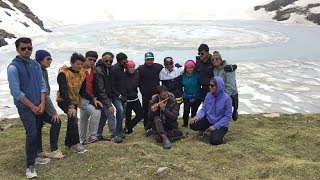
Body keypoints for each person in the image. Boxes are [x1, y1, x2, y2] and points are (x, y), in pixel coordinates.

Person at [7, 37, 49, 178]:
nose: (27, 51)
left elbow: (42, 85)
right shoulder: (13, 67)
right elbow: (16, 92)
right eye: (23, 48)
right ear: (18, 49)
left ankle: (36, 156)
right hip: (25, 106)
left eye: (29, 48)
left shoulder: (36, 65)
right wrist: (32, 106)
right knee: (31, 133)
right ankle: (30, 166)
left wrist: (42, 103)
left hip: (38, 104)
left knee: (37, 130)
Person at [56, 52, 93, 153]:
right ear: (72, 63)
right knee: (73, 118)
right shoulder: (63, 74)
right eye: (77, 64)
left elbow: (82, 92)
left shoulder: (82, 74)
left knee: (71, 120)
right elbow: (63, 91)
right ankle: (76, 143)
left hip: (74, 101)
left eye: (81, 64)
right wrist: (70, 106)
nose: (80, 66)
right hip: (63, 100)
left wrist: (93, 99)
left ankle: (68, 144)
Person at [35, 50, 65, 159]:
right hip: (36, 104)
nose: (50, 61)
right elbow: (44, 93)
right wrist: (53, 112)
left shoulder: (42, 70)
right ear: (40, 59)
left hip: (38, 104)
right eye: (48, 59)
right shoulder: (38, 70)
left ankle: (39, 151)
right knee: (56, 121)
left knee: (38, 125)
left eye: (51, 59)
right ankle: (54, 150)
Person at [190, 77, 232, 145]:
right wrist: (197, 117)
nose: (209, 87)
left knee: (215, 141)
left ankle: (215, 133)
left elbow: (227, 117)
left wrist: (215, 126)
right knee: (193, 124)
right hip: (209, 120)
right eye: (209, 85)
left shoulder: (227, 99)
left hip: (221, 124)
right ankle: (205, 130)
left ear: (218, 86)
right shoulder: (208, 95)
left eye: (212, 85)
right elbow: (204, 109)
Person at [95, 52, 121, 143]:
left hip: (107, 95)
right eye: (106, 60)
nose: (109, 62)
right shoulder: (99, 70)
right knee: (110, 113)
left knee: (103, 116)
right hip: (102, 96)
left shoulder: (108, 69)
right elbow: (101, 89)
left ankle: (98, 134)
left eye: (110, 61)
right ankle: (114, 135)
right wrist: (109, 104)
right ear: (102, 60)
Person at [79, 51, 103, 144]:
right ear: (85, 58)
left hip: (91, 96)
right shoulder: (79, 69)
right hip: (80, 97)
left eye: (94, 60)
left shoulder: (94, 69)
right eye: (90, 59)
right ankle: (92, 136)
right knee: (96, 112)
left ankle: (82, 139)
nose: (92, 62)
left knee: (84, 117)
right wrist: (93, 99)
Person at [137, 52, 163, 132]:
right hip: (145, 95)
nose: (149, 61)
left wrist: (178, 67)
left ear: (153, 59)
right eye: (148, 60)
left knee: (157, 111)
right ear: (145, 60)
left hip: (156, 95)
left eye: (151, 59)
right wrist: (142, 92)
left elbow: (167, 70)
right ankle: (147, 127)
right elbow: (137, 80)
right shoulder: (140, 69)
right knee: (146, 112)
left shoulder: (158, 67)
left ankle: (156, 126)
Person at [211, 51, 239, 121]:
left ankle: (235, 112)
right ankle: (221, 126)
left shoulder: (228, 68)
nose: (215, 61)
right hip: (221, 94)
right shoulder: (215, 69)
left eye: (217, 59)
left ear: (221, 59)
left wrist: (224, 97)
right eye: (213, 60)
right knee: (221, 112)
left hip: (232, 94)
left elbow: (231, 86)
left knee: (234, 112)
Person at [110, 52, 128, 141]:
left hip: (124, 94)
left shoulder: (123, 68)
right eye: (124, 62)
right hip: (116, 95)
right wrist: (119, 95)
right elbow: (112, 86)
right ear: (119, 61)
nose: (126, 63)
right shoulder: (114, 70)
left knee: (123, 113)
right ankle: (116, 133)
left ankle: (120, 131)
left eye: (126, 61)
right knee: (120, 110)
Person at [181, 60, 202, 127]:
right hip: (186, 96)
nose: (189, 69)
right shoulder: (182, 76)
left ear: (194, 68)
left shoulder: (198, 75)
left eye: (191, 67)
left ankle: (193, 123)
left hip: (197, 96)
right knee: (186, 111)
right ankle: (185, 124)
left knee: (194, 110)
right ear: (185, 68)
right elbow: (179, 86)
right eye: (187, 68)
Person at [124, 59, 143, 134]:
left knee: (140, 114)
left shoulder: (137, 74)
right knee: (128, 116)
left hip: (135, 98)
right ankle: (128, 131)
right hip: (126, 99)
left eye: (133, 67)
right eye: (130, 67)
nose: (132, 69)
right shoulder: (123, 75)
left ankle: (128, 127)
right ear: (126, 68)